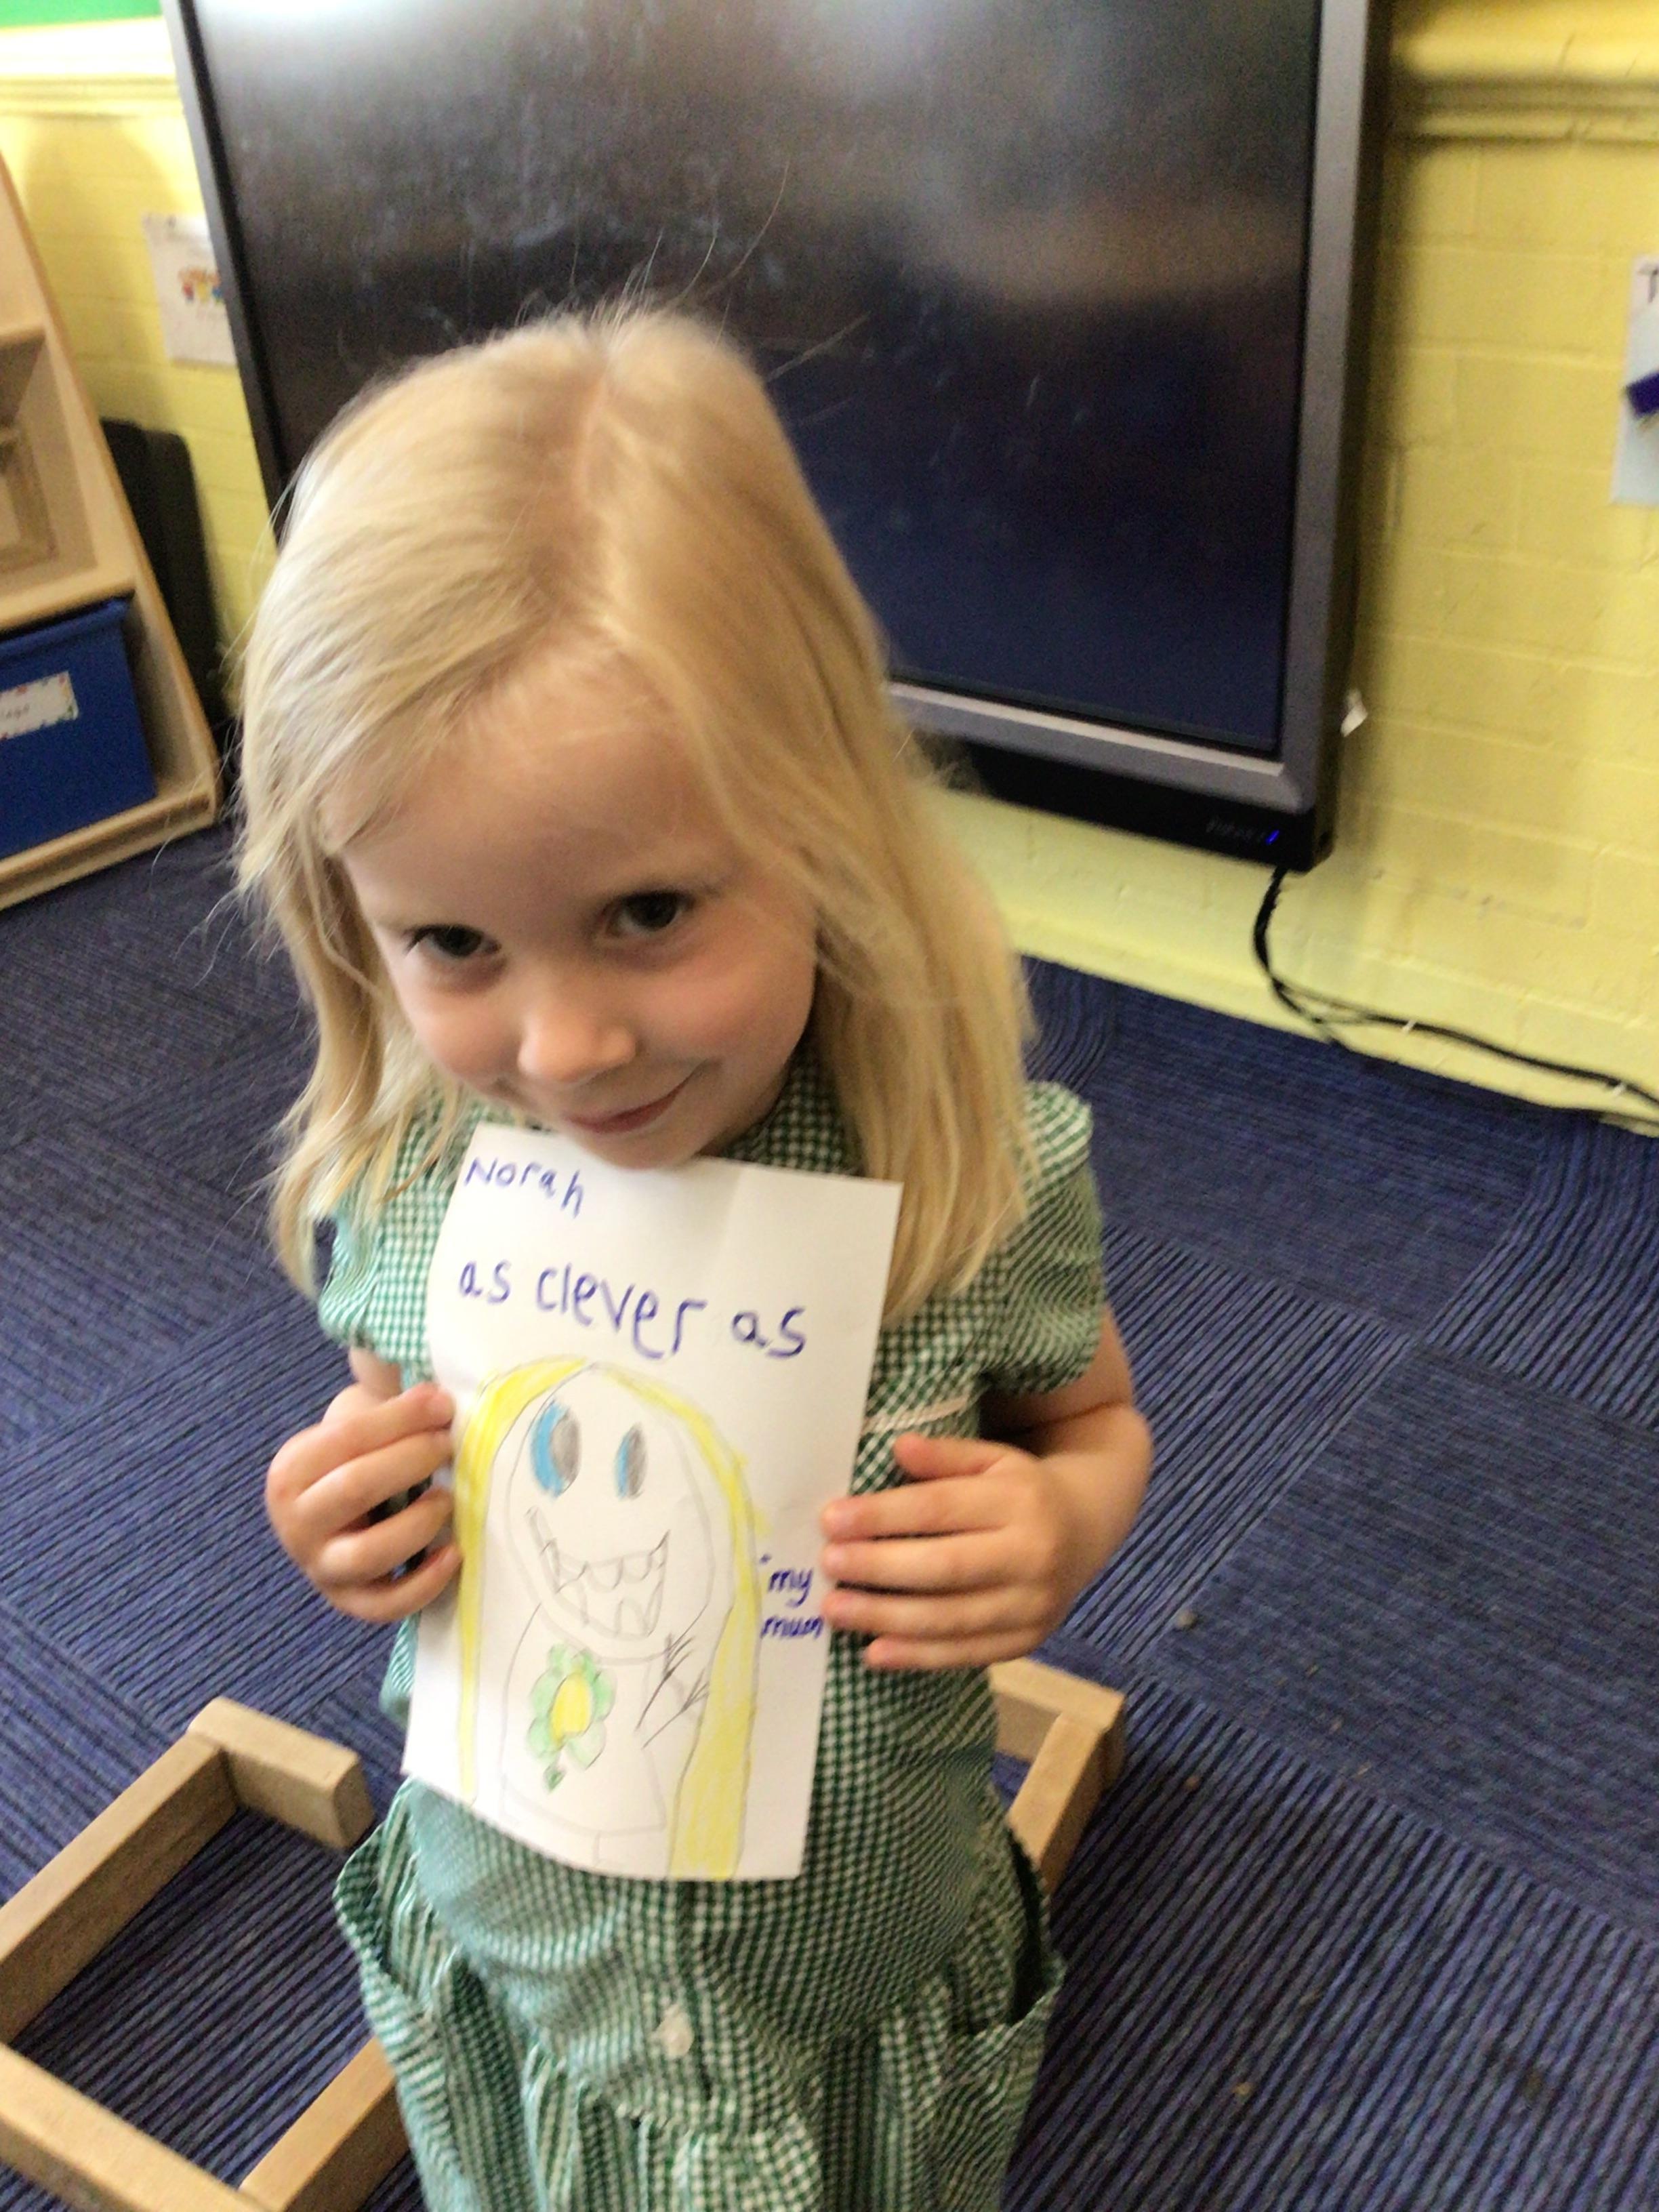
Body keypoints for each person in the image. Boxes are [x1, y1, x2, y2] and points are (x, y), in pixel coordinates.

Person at [242, 305, 1151, 2212]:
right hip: (536, 1964)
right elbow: (389, 1440)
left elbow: (1095, 1421)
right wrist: (342, 1513)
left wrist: (1062, 1526)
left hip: (840, 1975)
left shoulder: (963, 1179)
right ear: (354, 918)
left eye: (648, 911)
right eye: (454, 944)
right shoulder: (410, 1186)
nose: (568, 1047)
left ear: (825, 828)